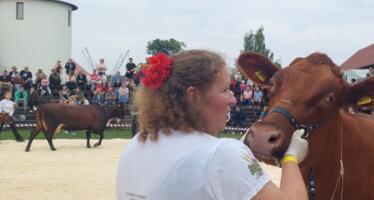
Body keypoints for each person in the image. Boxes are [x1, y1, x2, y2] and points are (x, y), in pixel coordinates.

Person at [117, 50, 309, 200]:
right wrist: (290, 159)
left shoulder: (137, 143)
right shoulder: (222, 153)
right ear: (194, 96)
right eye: (225, 90)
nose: (233, 99)